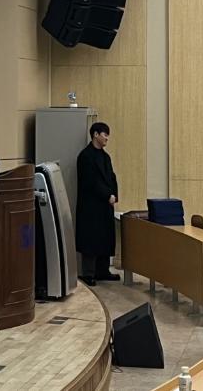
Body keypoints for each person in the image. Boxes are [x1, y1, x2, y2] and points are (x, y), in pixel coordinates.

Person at [76, 122, 119, 286]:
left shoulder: (105, 157)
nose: (107, 138)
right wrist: (107, 195)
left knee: (105, 237)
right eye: (105, 134)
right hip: (91, 205)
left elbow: (112, 177)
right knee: (91, 238)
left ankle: (103, 270)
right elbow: (91, 182)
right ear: (95, 134)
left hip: (105, 204)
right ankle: (88, 273)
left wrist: (114, 194)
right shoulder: (85, 156)